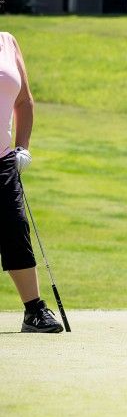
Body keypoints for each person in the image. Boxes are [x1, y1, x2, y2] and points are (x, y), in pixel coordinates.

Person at [0, 23, 63, 333]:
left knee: (15, 228)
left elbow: (23, 101)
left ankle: (34, 311)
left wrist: (22, 147)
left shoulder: (7, 42)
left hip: (1, 161)